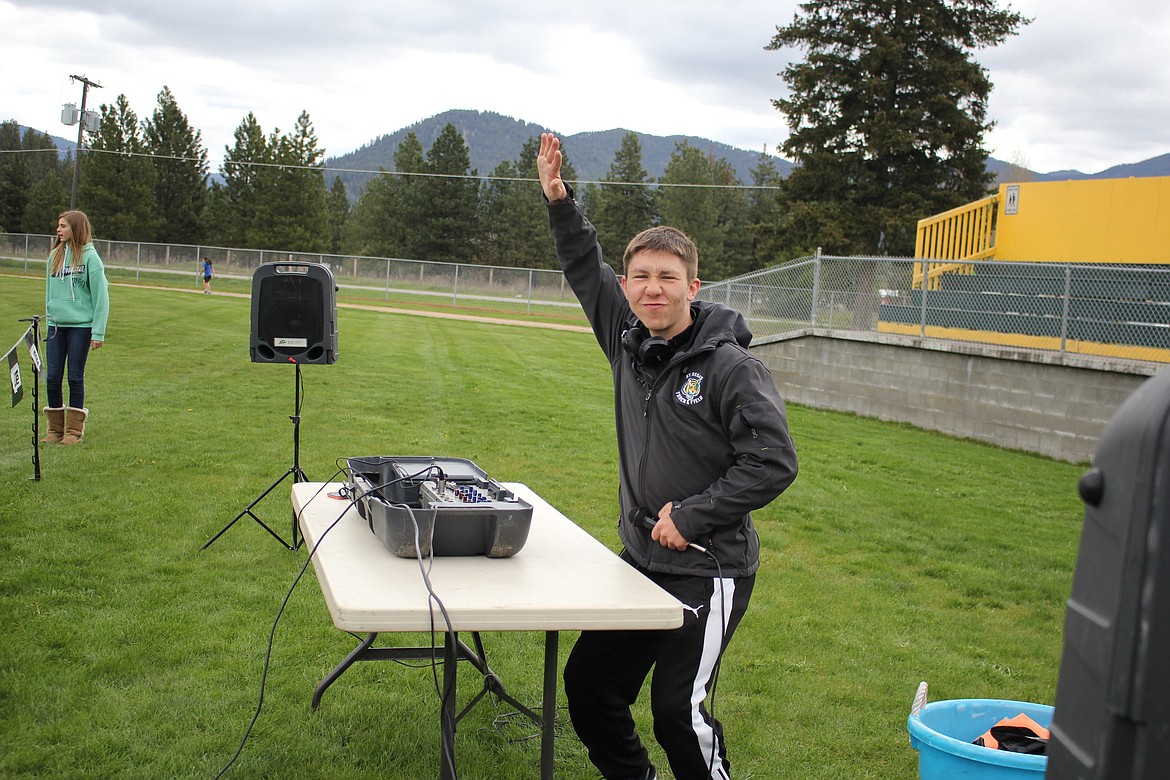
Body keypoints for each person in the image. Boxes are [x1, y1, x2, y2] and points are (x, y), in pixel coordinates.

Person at [538, 132, 798, 780]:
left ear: (693, 285)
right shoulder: (626, 340)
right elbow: (580, 265)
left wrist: (693, 516)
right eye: (642, 278)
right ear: (626, 286)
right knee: (591, 688)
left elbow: (773, 460)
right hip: (641, 562)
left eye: (668, 278)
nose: (653, 290)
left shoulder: (732, 367)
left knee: (678, 715)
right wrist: (558, 199)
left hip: (709, 571)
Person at [42, 210, 109, 446]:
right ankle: (54, 430)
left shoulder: (91, 258)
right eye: (58, 226)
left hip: (81, 327)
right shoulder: (54, 257)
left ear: (76, 228)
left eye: (63, 226)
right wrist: (50, 318)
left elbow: (102, 297)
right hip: (56, 326)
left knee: (74, 377)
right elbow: (50, 293)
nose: (58, 230)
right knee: (52, 377)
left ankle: (73, 432)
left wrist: (98, 332)